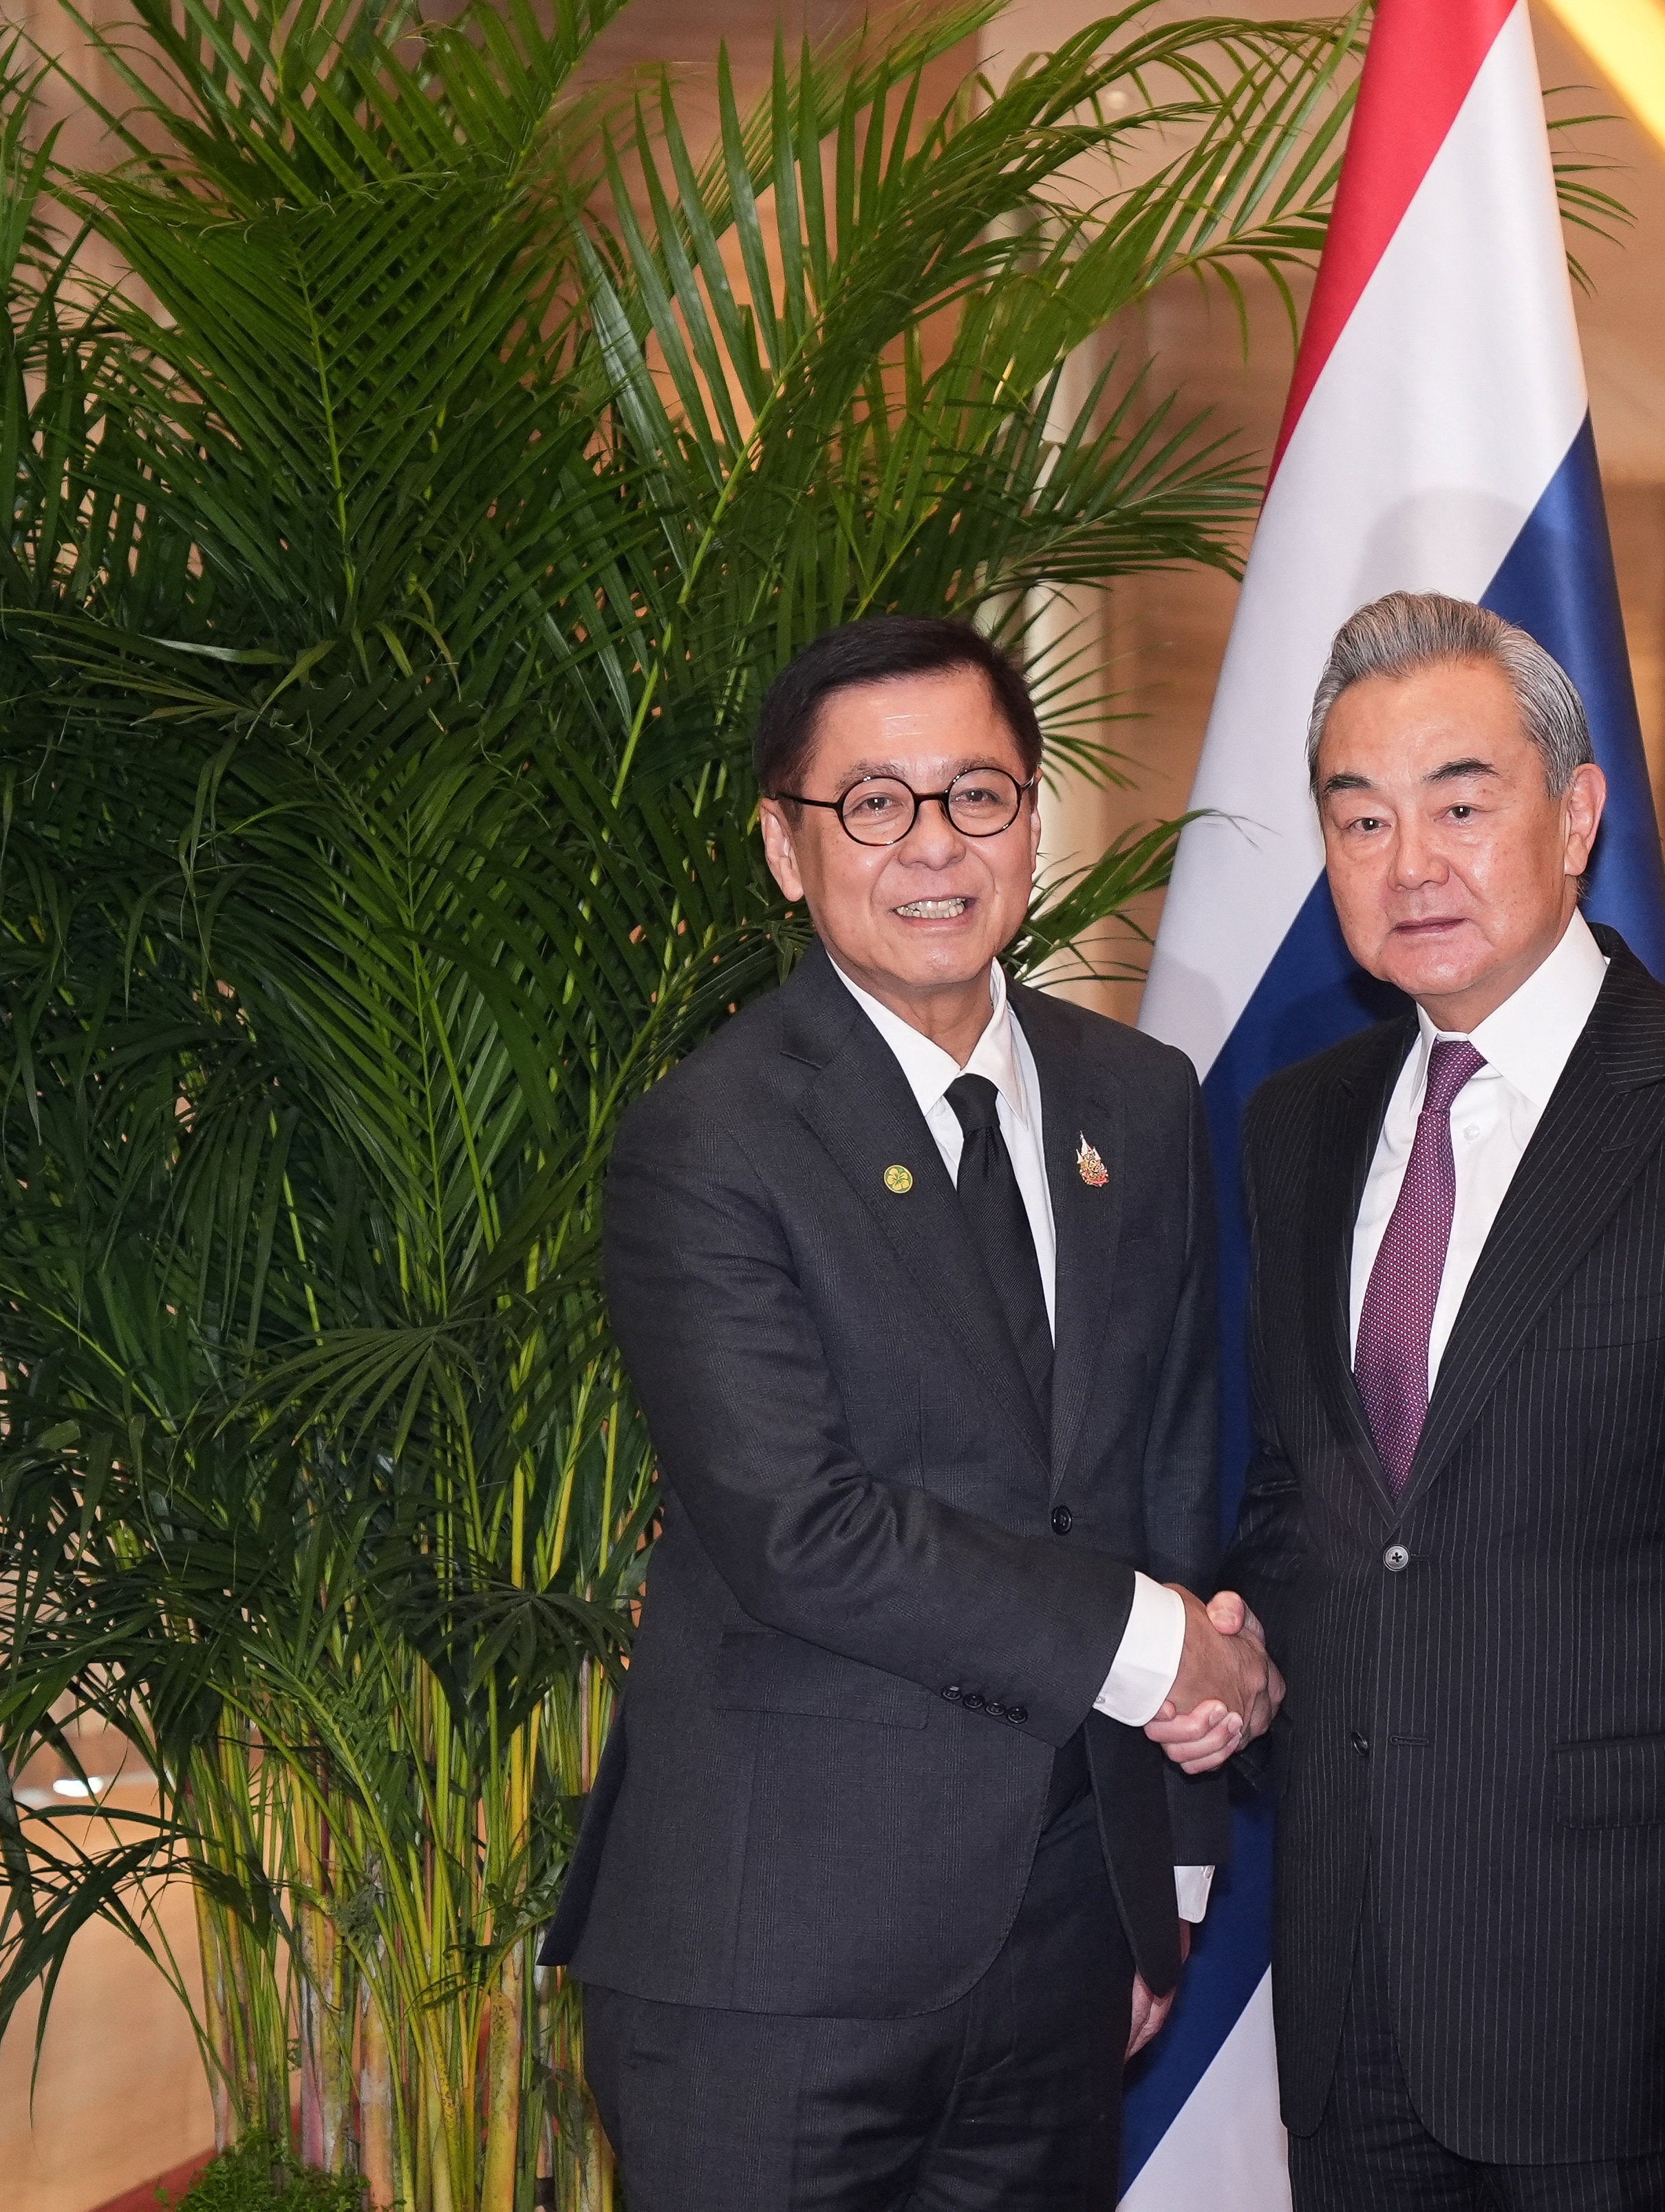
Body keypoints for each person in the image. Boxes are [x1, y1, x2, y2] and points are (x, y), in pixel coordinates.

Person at [1156, 591, 1665, 2209]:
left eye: (1458, 800)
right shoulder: (1296, 1126)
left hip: (1634, 2006)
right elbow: (1315, 1501)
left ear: (1574, 815)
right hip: (1356, 1992)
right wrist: (1230, 1667)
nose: (1406, 858)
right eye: (1357, 817)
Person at [544, 615, 1281, 2211]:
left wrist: (1158, 1859)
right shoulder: (710, 1143)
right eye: (872, 805)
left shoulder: (1136, 1102)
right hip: (770, 1969)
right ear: (783, 848)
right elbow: (802, 1530)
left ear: (1031, 817)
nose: (932, 847)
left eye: (977, 796)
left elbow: (1155, 1468)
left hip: (1059, 1949)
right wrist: (1161, 1646)